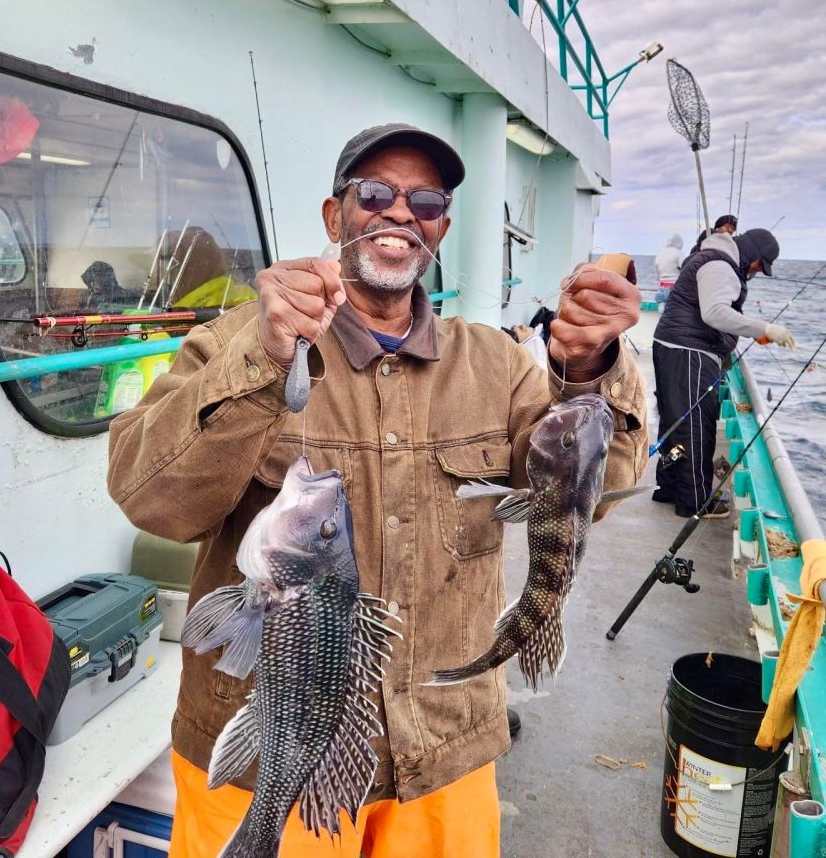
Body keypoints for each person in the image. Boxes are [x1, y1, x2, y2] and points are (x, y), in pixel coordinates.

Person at [107, 123, 648, 858]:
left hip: (444, 754)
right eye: (374, 193)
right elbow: (154, 502)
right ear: (336, 217)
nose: (399, 212)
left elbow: (603, 488)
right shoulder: (238, 341)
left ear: (441, 229)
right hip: (270, 760)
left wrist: (591, 369)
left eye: (425, 200)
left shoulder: (498, 363)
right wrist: (260, 362)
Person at [652, 227, 797, 519]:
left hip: (673, 346)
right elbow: (714, 313)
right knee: (695, 428)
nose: (757, 271)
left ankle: (668, 486)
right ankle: (694, 500)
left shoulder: (713, 257)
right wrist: (763, 328)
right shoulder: (720, 265)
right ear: (754, 256)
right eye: (759, 265)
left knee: (674, 425)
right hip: (690, 351)